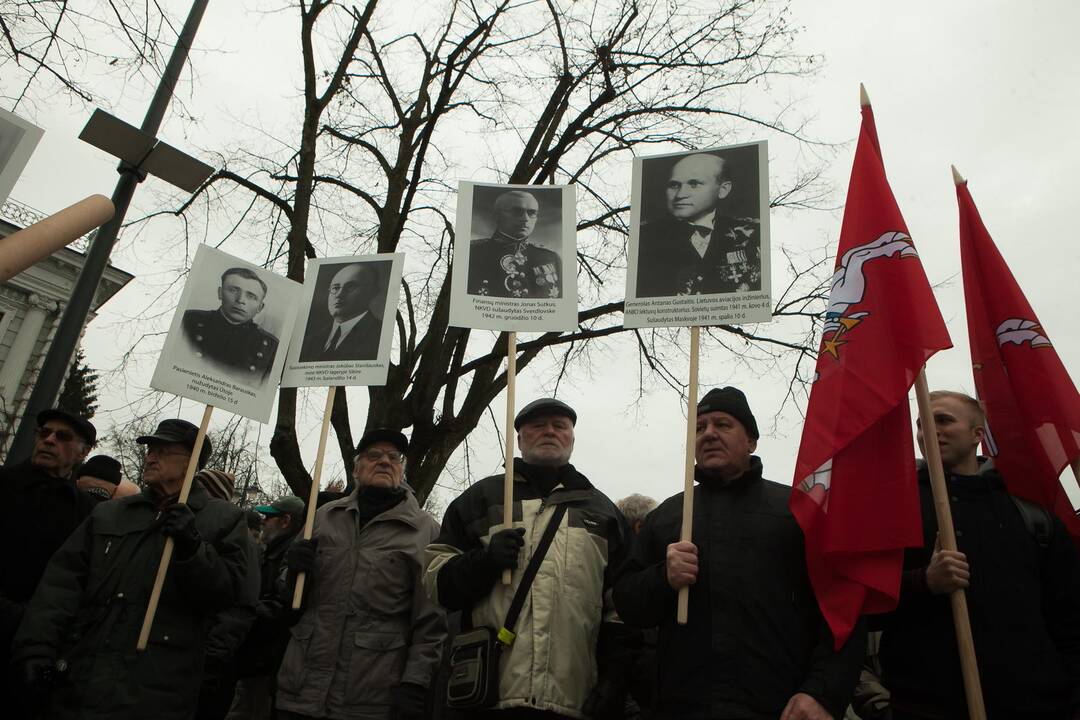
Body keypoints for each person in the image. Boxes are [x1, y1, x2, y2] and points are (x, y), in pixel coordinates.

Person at [613, 387, 865, 720]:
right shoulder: (667, 518)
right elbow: (627, 605)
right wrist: (663, 577)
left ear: (751, 441)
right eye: (700, 428)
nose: (709, 434)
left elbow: (842, 611)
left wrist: (822, 692)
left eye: (723, 424)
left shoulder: (799, 512)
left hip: (782, 706)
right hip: (684, 706)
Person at [12, 418, 254, 720]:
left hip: (156, 692)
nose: (150, 456)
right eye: (150, 449)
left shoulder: (224, 520)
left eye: (163, 450)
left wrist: (192, 548)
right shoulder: (110, 513)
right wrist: (36, 648)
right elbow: (61, 586)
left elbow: (230, 594)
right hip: (78, 681)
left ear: (192, 461)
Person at [425, 397, 636, 719]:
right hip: (487, 694)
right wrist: (483, 563)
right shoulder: (480, 499)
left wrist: (614, 679)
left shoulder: (603, 513)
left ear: (572, 438)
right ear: (520, 438)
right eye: (537, 426)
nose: (549, 432)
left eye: (559, 426)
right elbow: (436, 585)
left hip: (572, 697)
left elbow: (621, 609)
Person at [875, 390, 1080, 719]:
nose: (928, 429)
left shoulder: (1029, 516)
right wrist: (924, 582)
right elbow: (862, 608)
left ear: (977, 435)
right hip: (923, 707)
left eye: (943, 420)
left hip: (1037, 706)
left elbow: (1069, 621)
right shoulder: (892, 510)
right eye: (921, 423)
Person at [276, 429, 446, 720]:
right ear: (356, 468)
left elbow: (431, 621)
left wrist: (416, 684)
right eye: (374, 455)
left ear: (403, 469)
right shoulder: (323, 517)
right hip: (300, 692)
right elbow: (283, 594)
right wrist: (291, 574)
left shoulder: (425, 531)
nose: (384, 461)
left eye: (394, 457)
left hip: (371, 699)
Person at [1, 409, 98, 709]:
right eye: (44, 432)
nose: (49, 440)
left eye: (62, 436)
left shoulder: (88, 513)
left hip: (33, 649)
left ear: (83, 451)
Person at [635, 153, 761, 297]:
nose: (681, 194)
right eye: (674, 185)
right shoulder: (644, 238)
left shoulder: (751, 233)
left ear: (723, 189)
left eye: (694, 184)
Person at [228, 495, 306, 720]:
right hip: (253, 656)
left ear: (285, 521)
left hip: (265, 661)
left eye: (269, 517)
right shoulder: (270, 551)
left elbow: (281, 605)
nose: (263, 521)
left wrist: (246, 611)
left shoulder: (291, 554)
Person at [182, 267, 279, 382]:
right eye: (233, 290)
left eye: (251, 296)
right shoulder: (188, 320)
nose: (240, 300)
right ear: (220, 293)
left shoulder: (271, 347)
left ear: (260, 307)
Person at [467, 190, 562, 298]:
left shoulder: (550, 257)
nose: (525, 219)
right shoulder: (472, 253)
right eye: (517, 212)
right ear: (497, 215)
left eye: (531, 213)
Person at [298, 263, 383, 362]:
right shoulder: (310, 341)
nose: (339, 295)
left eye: (350, 287)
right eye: (335, 288)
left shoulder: (378, 335)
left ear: (372, 291)